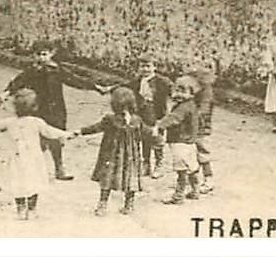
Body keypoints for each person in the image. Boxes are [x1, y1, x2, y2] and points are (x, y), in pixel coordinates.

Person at [0, 88, 77, 221]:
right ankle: (31, 209)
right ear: (35, 107)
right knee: (33, 182)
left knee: (17, 182)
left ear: (15, 107)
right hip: (34, 158)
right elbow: (51, 132)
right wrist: (68, 134)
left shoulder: (9, 122)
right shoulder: (37, 122)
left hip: (16, 158)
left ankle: (20, 209)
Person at [5, 44, 96, 180]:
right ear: (33, 56)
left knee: (57, 139)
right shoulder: (31, 71)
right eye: (38, 54)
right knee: (37, 140)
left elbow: (75, 80)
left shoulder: (57, 70)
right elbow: (18, 82)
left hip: (56, 110)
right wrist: (7, 92)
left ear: (51, 54)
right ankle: (32, 169)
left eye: (44, 54)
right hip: (38, 110)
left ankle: (59, 169)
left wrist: (95, 87)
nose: (42, 58)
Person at [74, 86, 145, 216]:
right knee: (130, 178)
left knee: (107, 178)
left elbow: (96, 128)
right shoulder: (137, 120)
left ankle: (102, 205)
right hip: (130, 156)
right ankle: (129, 205)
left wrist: (80, 131)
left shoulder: (110, 119)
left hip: (111, 154)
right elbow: (141, 136)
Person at [152, 75, 203, 204]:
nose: (179, 94)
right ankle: (195, 190)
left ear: (192, 92)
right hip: (190, 142)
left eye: (183, 91)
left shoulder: (183, 107)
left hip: (180, 142)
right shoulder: (191, 105)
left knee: (181, 170)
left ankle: (178, 196)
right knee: (192, 167)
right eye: (177, 90)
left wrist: (159, 125)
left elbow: (174, 118)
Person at [130, 57, 171, 178]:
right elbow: (125, 87)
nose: (145, 69)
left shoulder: (162, 81)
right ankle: (146, 163)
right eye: (142, 66)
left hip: (157, 113)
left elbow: (173, 90)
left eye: (148, 66)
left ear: (154, 67)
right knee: (144, 138)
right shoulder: (137, 81)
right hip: (142, 113)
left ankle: (159, 164)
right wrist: (109, 89)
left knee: (157, 139)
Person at [193, 59, 218, 193]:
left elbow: (204, 109)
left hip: (201, 125)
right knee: (192, 151)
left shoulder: (207, 91)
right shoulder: (199, 87)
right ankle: (194, 180)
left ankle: (208, 179)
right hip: (193, 123)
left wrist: (195, 116)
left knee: (202, 151)